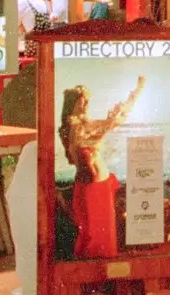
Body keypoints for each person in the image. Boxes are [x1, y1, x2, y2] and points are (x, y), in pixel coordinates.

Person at [58, 75, 146, 259]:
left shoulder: (86, 125)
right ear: (72, 104)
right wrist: (106, 126)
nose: (85, 106)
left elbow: (111, 123)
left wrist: (136, 93)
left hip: (100, 183)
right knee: (91, 235)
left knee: (103, 234)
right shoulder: (71, 128)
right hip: (88, 186)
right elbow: (82, 140)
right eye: (82, 102)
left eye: (87, 102)